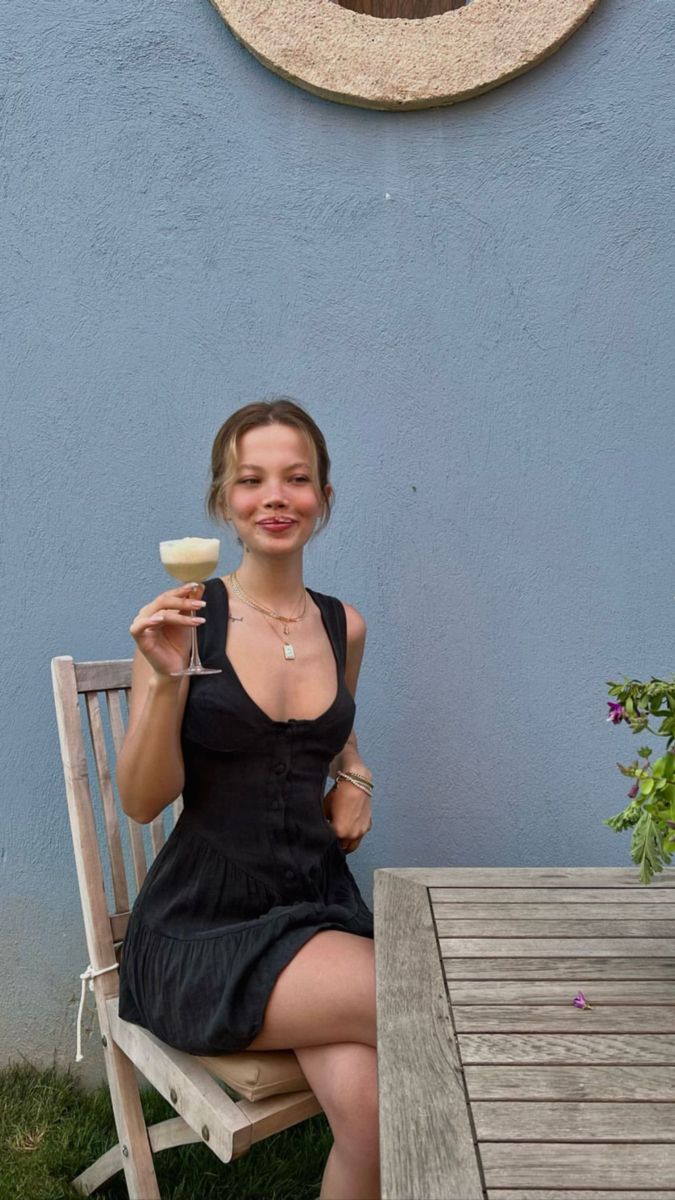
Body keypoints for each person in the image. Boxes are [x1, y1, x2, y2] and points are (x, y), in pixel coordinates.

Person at [116, 398, 380, 1200]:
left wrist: (357, 776)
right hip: (203, 927)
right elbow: (141, 800)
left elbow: (334, 731)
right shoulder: (187, 621)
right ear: (222, 501)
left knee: (375, 1122)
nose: (275, 497)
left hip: (315, 907)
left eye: (296, 479)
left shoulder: (343, 626)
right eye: (251, 479)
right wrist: (167, 681)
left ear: (323, 497)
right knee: (423, 1000)